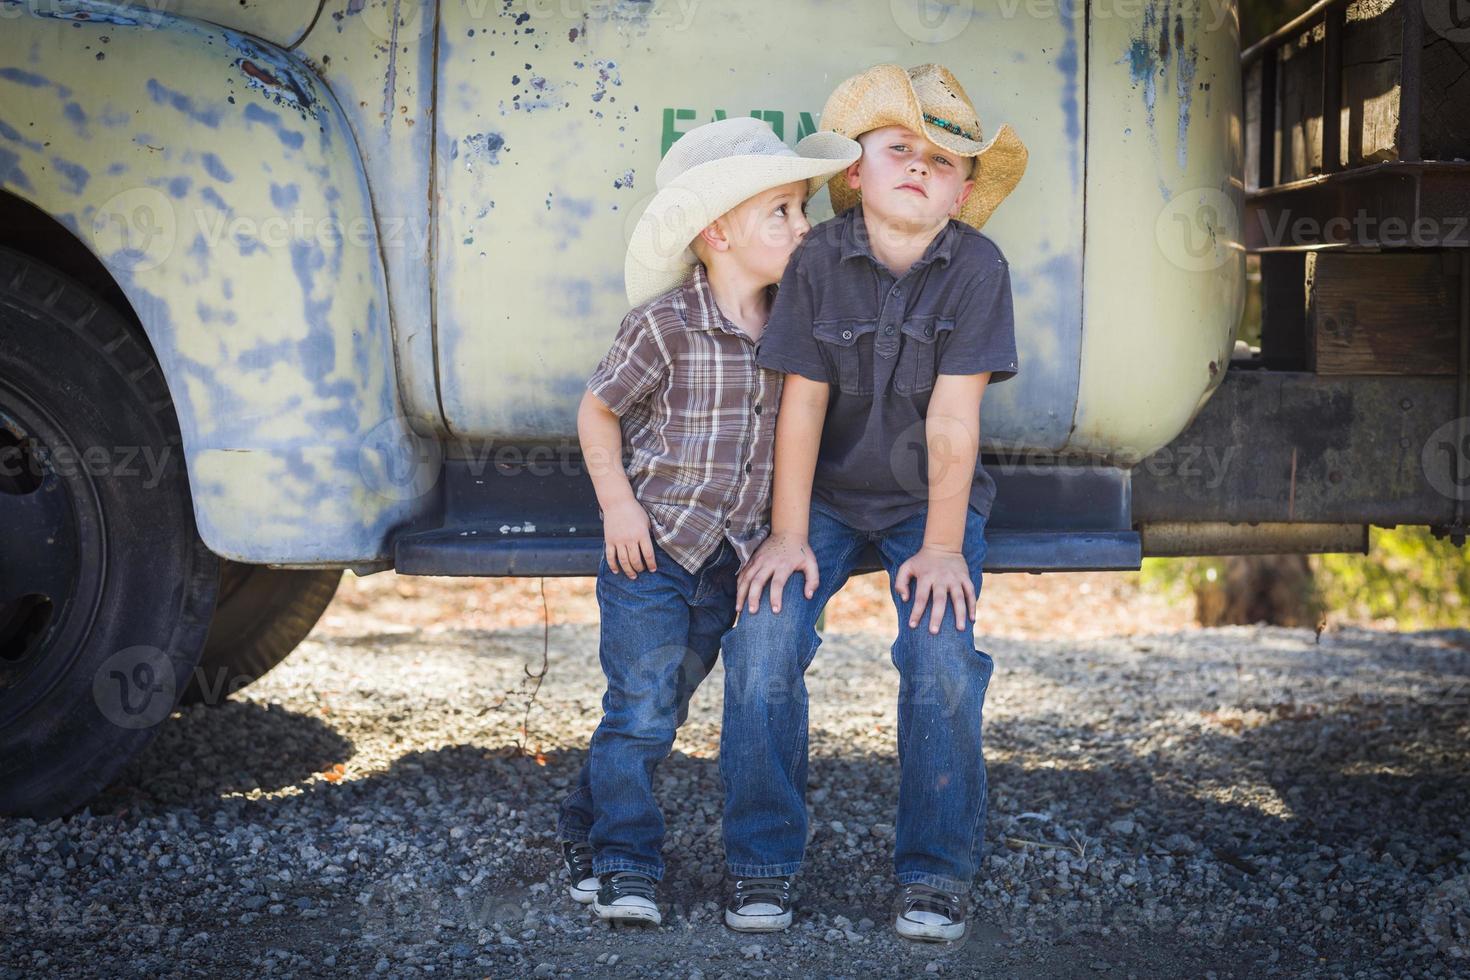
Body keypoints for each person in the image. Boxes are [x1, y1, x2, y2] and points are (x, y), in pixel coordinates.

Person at [718, 63, 1028, 942]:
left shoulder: (977, 268)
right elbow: (801, 403)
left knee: (939, 656)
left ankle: (934, 874)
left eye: (943, 159)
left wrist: (939, 547)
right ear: (855, 171)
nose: (921, 166)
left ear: (964, 192)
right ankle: (761, 865)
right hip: (819, 497)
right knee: (764, 639)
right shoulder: (817, 258)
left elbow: (955, 417)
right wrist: (785, 534)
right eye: (900, 149)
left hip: (925, 502)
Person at [555, 116, 860, 926]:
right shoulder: (664, 324)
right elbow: (598, 411)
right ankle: (626, 861)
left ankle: (585, 825)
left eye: (803, 210)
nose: (804, 227)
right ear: (717, 232)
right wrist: (617, 503)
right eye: (784, 213)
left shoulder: (793, 328)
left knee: (669, 698)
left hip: (733, 557)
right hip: (651, 553)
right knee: (643, 708)